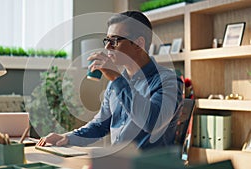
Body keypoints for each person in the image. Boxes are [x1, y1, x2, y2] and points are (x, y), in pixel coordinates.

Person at [37, 11, 183, 150]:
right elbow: (100, 125)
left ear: (138, 43)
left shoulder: (168, 81)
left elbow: (153, 123)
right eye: (107, 40)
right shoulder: (117, 83)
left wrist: (116, 78)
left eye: (114, 41)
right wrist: (67, 137)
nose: (107, 47)